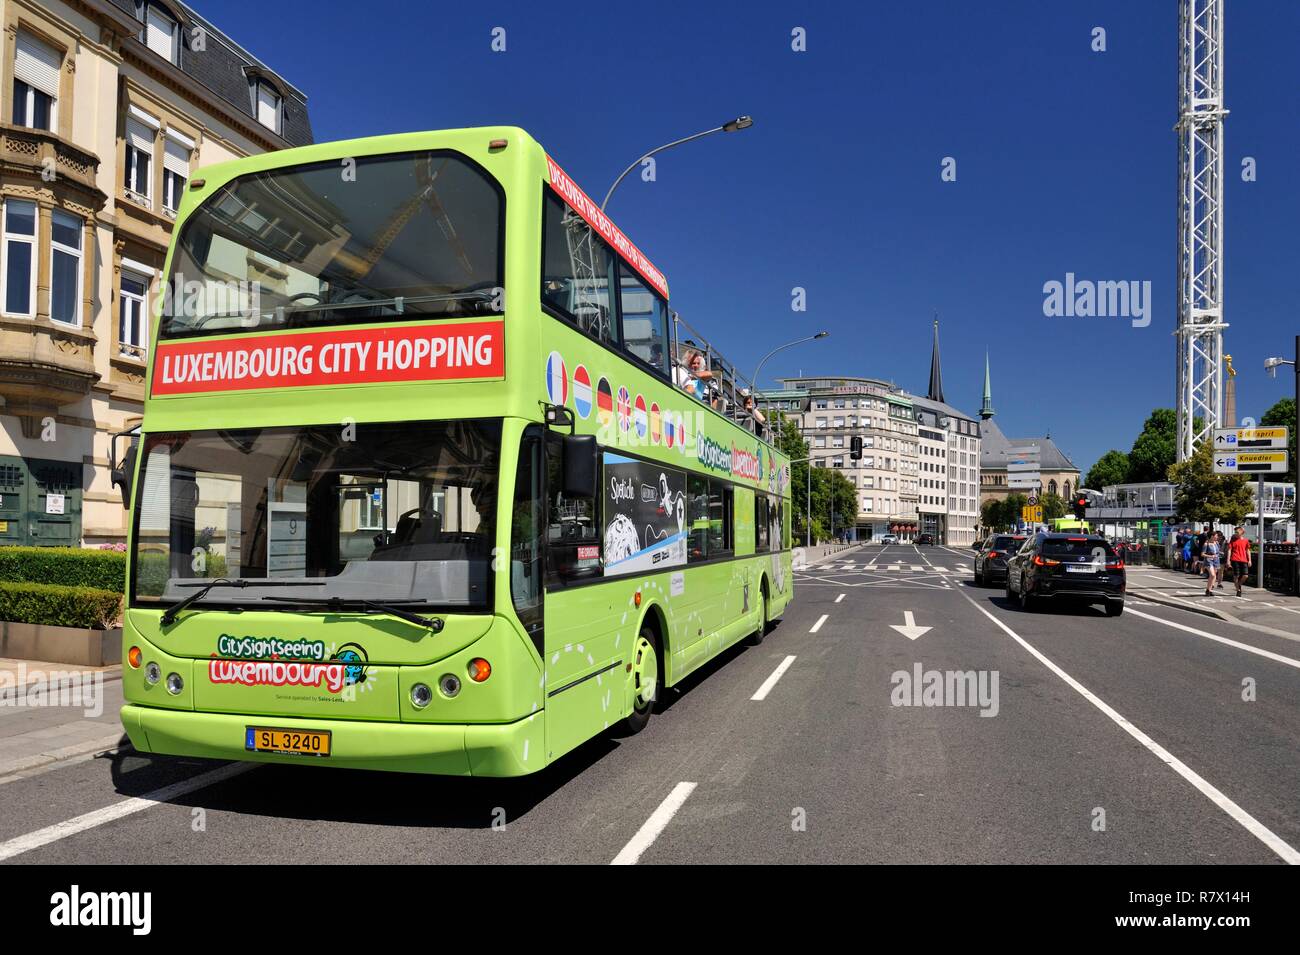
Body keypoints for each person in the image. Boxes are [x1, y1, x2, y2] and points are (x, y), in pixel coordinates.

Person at [1227, 526, 1251, 597]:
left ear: (1242, 532)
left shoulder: (1246, 540)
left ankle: (1238, 584)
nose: (1236, 533)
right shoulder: (1233, 540)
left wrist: (1249, 560)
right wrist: (1228, 561)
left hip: (1244, 560)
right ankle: (1238, 590)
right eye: (1235, 532)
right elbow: (1229, 550)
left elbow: (1248, 550)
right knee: (1236, 576)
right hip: (1235, 559)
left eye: (1237, 532)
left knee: (1245, 576)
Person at [1201, 531, 1221, 596]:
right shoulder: (1206, 544)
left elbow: (1217, 552)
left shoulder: (1217, 543)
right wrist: (1210, 556)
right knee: (1212, 575)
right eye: (1216, 536)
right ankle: (1209, 589)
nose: (1217, 537)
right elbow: (1202, 554)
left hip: (1216, 560)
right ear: (1212, 536)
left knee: (1214, 575)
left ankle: (1209, 590)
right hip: (1208, 561)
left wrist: (1220, 553)